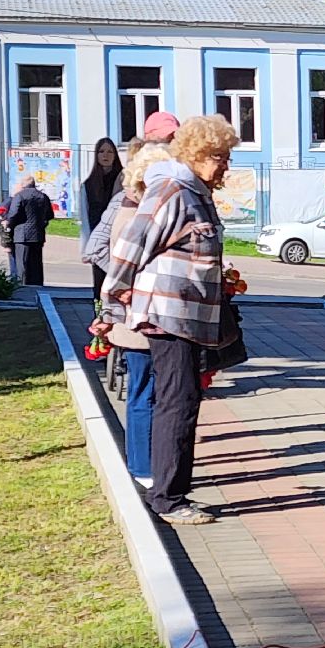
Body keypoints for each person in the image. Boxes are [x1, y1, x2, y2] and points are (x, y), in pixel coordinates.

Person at [104, 115, 238, 526]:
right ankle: (168, 498)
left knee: (184, 402)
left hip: (191, 316)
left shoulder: (196, 192)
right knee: (177, 403)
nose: (225, 167)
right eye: (219, 157)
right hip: (169, 315)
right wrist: (112, 301)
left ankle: (170, 491)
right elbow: (132, 244)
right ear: (196, 155)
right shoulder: (172, 189)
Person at [87, 140, 170, 489]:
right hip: (143, 315)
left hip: (132, 313)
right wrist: (130, 282)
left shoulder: (127, 207)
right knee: (146, 391)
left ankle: (144, 464)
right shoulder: (136, 214)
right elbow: (98, 250)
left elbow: (100, 251)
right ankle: (143, 466)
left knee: (143, 389)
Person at [79, 137, 123, 295]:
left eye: (110, 151)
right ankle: (99, 314)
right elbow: (84, 216)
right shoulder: (89, 183)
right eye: (102, 151)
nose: (106, 155)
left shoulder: (124, 179)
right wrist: (85, 247)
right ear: (96, 155)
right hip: (98, 239)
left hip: (119, 237)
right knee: (100, 282)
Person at [3, 174, 55, 286]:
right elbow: (50, 215)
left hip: (21, 235)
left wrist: (8, 224)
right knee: (36, 263)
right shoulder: (43, 196)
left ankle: (22, 286)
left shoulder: (20, 196)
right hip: (38, 235)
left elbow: (13, 214)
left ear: (23, 185)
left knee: (22, 264)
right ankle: (37, 285)